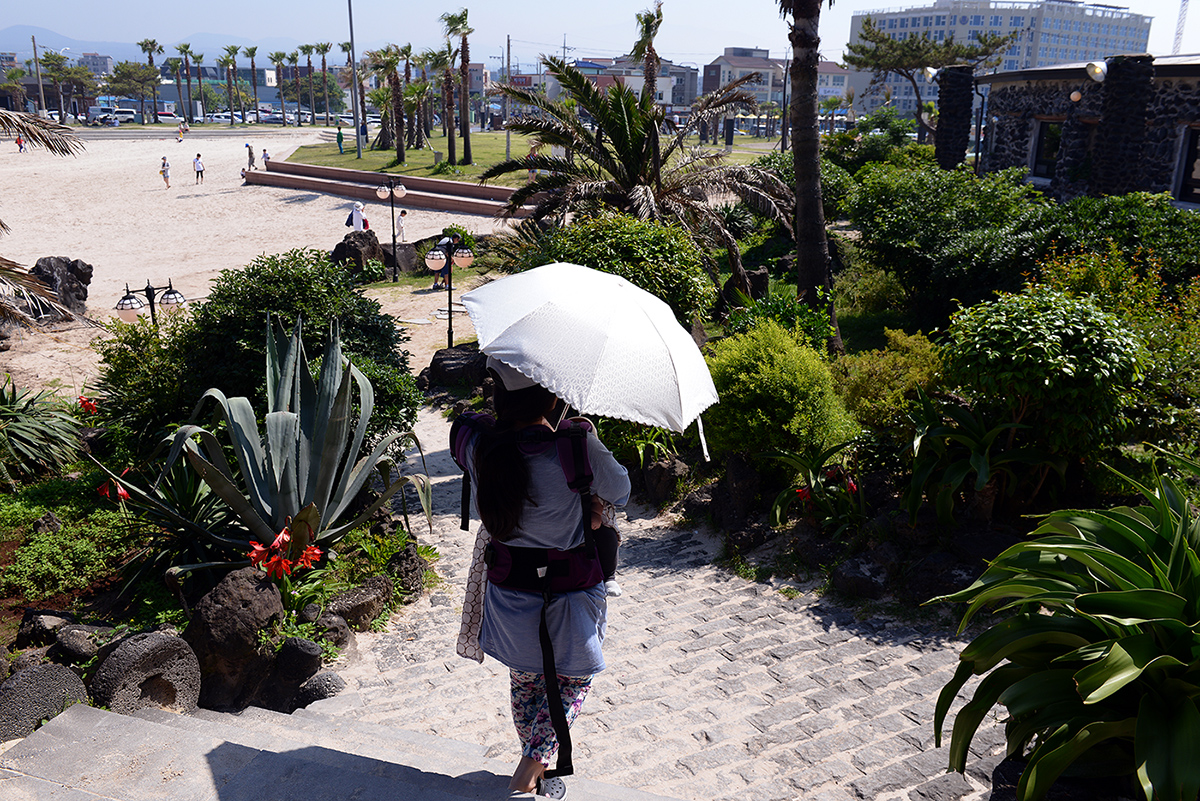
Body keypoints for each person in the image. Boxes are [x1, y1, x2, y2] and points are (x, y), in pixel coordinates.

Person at [452, 357, 630, 798]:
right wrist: (584, 438)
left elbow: (471, 437)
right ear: (551, 398)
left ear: (499, 395)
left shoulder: (479, 445)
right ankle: (530, 767)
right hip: (571, 596)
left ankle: (537, 769)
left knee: (526, 682)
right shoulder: (575, 447)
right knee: (575, 681)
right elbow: (621, 489)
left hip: (509, 595)